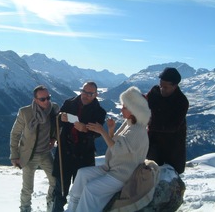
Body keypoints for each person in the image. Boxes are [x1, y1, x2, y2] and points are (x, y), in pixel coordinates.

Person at [65, 86, 151, 212]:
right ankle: (72, 208)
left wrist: (102, 131)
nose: (121, 109)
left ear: (134, 110)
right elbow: (116, 143)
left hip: (123, 175)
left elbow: (117, 150)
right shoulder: (129, 124)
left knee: (91, 189)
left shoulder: (137, 130)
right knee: (82, 174)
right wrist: (110, 130)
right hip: (112, 168)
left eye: (125, 107)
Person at [52, 81, 106, 212]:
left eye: (90, 93)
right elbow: (56, 121)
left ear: (96, 94)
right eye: (84, 91)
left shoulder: (99, 111)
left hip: (83, 155)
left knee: (81, 192)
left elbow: (98, 133)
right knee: (60, 191)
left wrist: (86, 129)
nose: (85, 95)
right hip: (65, 152)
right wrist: (61, 118)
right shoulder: (69, 103)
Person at [10, 85, 59, 212]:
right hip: (29, 155)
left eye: (48, 98)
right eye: (43, 99)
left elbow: (56, 126)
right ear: (35, 100)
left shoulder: (53, 109)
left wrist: (53, 138)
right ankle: (25, 209)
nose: (47, 101)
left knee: (55, 182)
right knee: (28, 188)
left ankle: (51, 205)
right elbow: (15, 134)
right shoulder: (25, 112)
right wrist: (14, 155)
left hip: (46, 154)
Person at [146, 67, 189, 174]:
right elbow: (144, 103)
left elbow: (173, 126)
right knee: (149, 171)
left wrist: (151, 124)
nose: (162, 89)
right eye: (161, 85)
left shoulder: (181, 101)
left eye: (165, 87)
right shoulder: (155, 91)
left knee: (169, 174)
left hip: (171, 146)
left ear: (175, 86)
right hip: (153, 141)